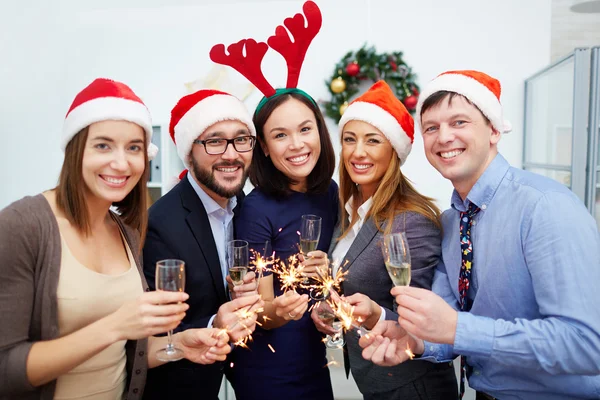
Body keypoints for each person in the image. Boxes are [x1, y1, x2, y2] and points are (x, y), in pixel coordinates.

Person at [359, 70, 600, 400]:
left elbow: (586, 345)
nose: (443, 137)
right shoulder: (452, 221)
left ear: (494, 130)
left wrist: (459, 328)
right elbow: (447, 323)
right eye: (431, 128)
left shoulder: (545, 207)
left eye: (459, 122)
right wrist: (413, 340)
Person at [0, 78, 232, 400]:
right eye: (103, 145)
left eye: (133, 148)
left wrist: (179, 344)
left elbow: (124, 357)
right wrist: (114, 326)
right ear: (75, 149)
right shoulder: (23, 226)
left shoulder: (125, 231)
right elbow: (5, 370)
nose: (121, 163)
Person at [307, 81, 458, 399]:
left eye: (372, 141)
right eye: (350, 139)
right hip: (375, 380)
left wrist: (377, 314)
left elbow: (424, 322)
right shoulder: (349, 211)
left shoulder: (412, 221)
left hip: (412, 386)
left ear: (394, 150)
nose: (357, 152)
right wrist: (331, 305)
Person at [141, 89, 263, 400]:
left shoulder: (244, 204)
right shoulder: (160, 223)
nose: (231, 154)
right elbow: (154, 332)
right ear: (189, 151)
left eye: (241, 139)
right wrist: (214, 322)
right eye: (214, 141)